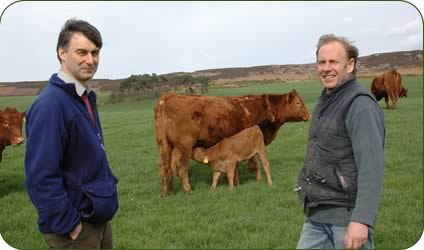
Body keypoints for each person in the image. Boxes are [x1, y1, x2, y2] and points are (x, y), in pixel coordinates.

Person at [24, 18, 118, 249]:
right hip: (76, 227)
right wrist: (69, 225)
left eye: (95, 53)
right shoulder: (51, 105)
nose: (90, 60)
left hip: (97, 218)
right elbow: (41, 176)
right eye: (82, 52)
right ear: (62, 54)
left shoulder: (82, 97)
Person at [295, 34, 385, 249]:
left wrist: (361, 219)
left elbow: (371, 167)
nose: (326, 68)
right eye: (322, 62)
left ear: (350, 65)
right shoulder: (326, 100)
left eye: (333, 61)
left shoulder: (360, 106)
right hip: (315, 215)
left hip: (345, 218)